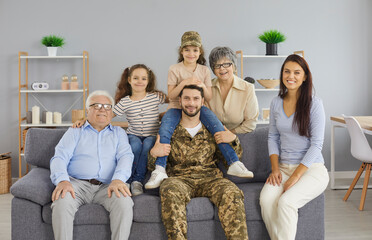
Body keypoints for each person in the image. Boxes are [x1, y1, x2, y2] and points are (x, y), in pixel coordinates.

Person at [145, 32, 253, 190]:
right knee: (165, 131)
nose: (191, 54)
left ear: (200, 51)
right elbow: (171, 95)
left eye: (195, 50)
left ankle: (233, 162)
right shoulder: (175, 69)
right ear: (181, 51)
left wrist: (202, 86)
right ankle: (160, 169)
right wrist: (185, 83)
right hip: (176, 107)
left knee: (218, 127)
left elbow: (208, 97)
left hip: (198, 108)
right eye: (187, 50)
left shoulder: (203, 70)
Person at [148, 85, 249, 240]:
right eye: (187, 98)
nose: (191, 103)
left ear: (202, 101)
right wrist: (153, 153)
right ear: (180, 101)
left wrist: (234, 140)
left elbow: (232, 161)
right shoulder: (168, 130)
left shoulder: (213, 128)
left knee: (232, 192)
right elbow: (153, 167)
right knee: (169, 189)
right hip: (180, 179)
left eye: (196, 98)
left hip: (211, 178)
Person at [259, 54, 329, 240]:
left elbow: (317, 145)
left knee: (286, 203)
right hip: (283, 168)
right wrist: (275, 169)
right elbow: (273, 137)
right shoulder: (275, 102)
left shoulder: (315, 104)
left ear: (305, 76)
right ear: (282, 74)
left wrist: (296, 176)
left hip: (311, 170)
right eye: (287, 71)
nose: (291, 76)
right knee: (266, 201)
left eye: (297, 72)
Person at [50, 90, 134, 240]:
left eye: (107, 106)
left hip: (108, 186)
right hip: (76, 184)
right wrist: (62, 180)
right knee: (61, 202)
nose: (103, 109)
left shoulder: (119, 133)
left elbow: (125, 157)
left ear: (111, 112)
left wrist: (118, 179)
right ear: (87, 110)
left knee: (124, 203)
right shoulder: (75, 131)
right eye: (97, 105)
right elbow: (59, 157)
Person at [74, 64, 167, 196]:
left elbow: (174, 101)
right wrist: (85, 119)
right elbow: (107, 114)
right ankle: (127, 180)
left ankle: (137, 181)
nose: (140, 81)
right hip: (133, 134)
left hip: (151, 135)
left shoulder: (156, 97)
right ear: (129, 80)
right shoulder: (125, 102)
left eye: (143, 78)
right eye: (136, 78)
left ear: (148, 81)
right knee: (134, 145)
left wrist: (163, 116)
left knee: (147, 145)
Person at [208, 46, 259, 134]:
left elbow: (251, 123)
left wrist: (229, 134)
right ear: (213, 69)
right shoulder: (207, 87)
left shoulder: (247, 88)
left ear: (234, 66)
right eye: (217, 65)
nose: (222, 68)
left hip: (238, 137)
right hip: (212, 137)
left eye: (226, 64)